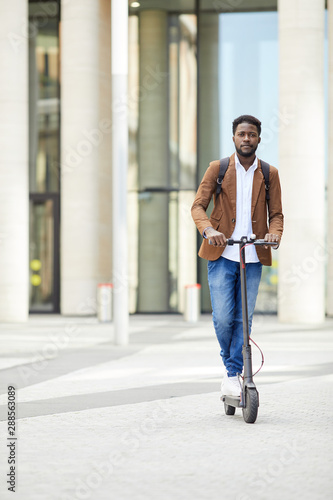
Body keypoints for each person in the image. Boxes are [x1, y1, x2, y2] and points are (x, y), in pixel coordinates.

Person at [191, 115, 284, 397]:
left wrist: (274, 234)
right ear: (234, 138)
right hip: (222, 254)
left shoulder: (269, 174)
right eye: (242, 134)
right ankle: (231, 371)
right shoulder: (217, 169)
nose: (246, 138)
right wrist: (208, 230)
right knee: (222, 317)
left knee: (244, 319)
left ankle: (233, 373)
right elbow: (198, 206)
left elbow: (277, 214)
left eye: (252, 134)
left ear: (258, 138)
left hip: (253, 255)